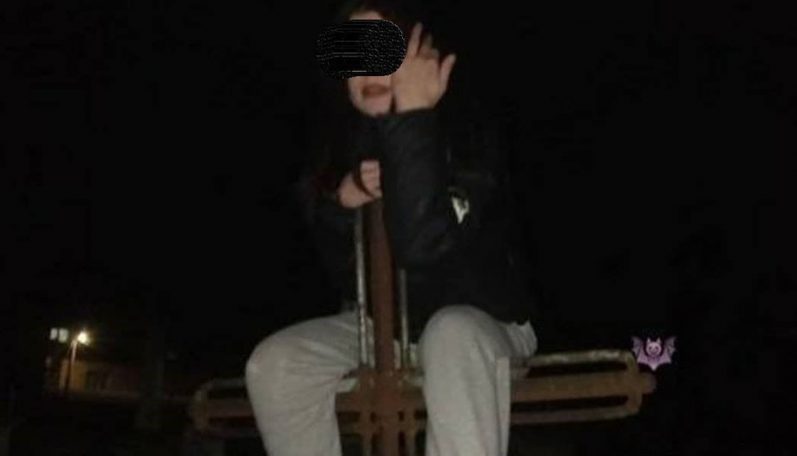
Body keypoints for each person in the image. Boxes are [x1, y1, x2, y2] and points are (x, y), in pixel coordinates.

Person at [245, 1, 541, 455]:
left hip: (483, 326)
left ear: (421, 54)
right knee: (277, 363)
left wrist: (413, 118)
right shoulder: (339, 147)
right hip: (383, 331)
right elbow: (346, 279)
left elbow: (425, 249)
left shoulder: (466, 130)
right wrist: (341, 208)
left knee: (451, 333)